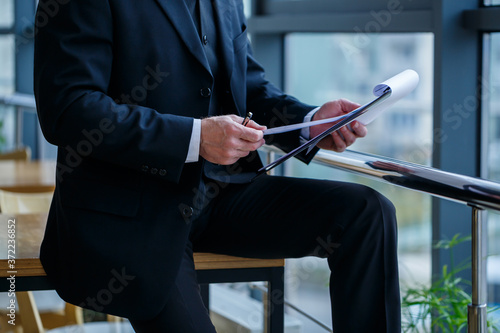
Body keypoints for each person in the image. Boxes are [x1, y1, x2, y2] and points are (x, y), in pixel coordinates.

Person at [33, 0, 401, 331]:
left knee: (367, 213)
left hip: (225, 194)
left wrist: (309, 121)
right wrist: (193, 137)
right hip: (133, 213)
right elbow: (69, 108)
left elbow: (250, 90)